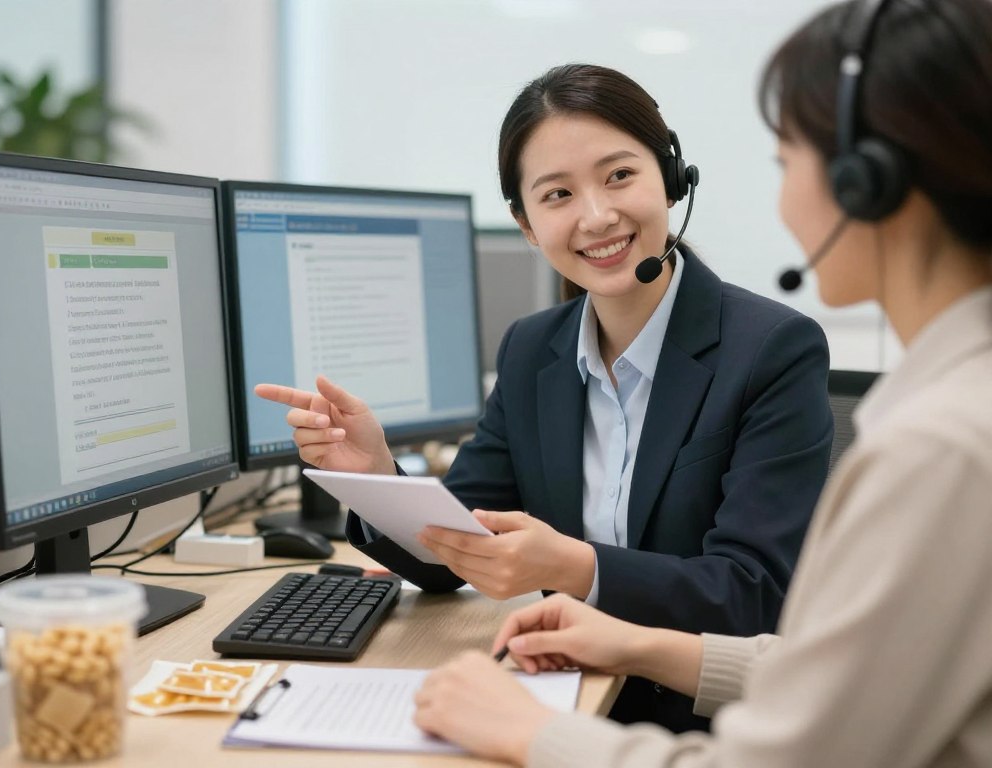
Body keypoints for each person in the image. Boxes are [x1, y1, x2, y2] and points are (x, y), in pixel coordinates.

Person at [411, 0, 992, 764]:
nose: (594, 215)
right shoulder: (941, 414)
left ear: (867, 184)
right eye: (556, 194)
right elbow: (830, 674)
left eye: (789, 162)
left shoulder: (939, 446)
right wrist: (635, 645)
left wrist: (532, 730)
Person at [256, 64, 834, 731]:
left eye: (620, 176)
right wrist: (376, 477)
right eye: (557, 194)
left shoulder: (771, 349)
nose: (596, 216)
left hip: (699, 725)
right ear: (527, 224)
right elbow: (456, 550)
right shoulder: (533, 351)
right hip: (568, 691)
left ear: (672, 179)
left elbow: (752, 598)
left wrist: (575, 567)